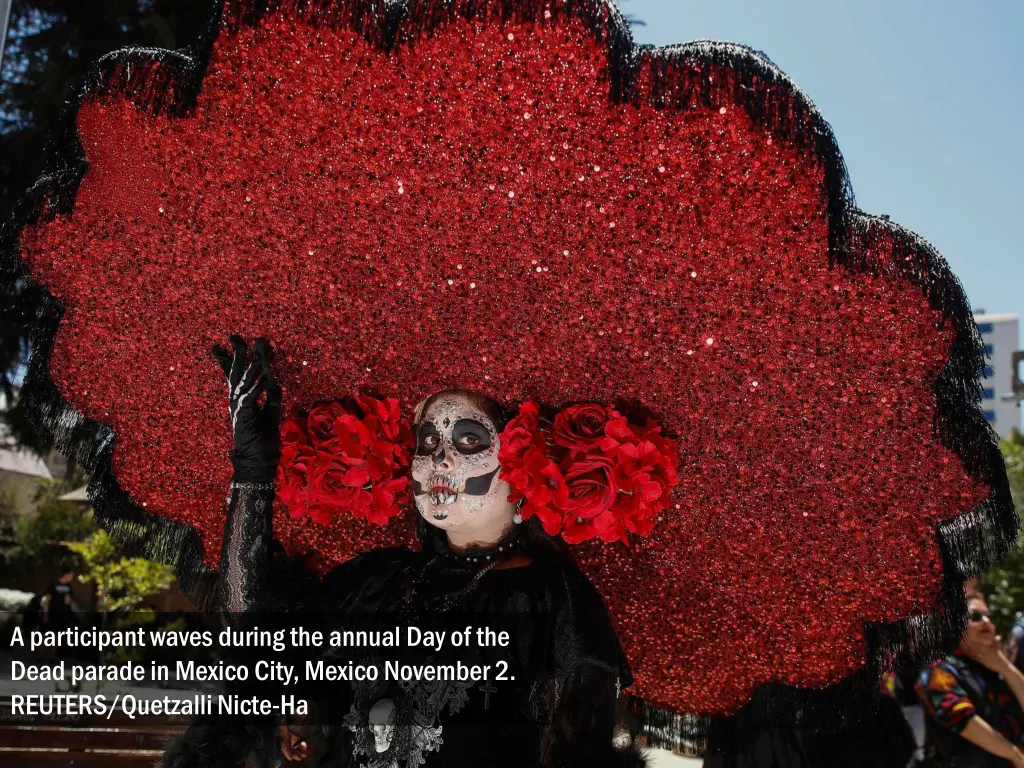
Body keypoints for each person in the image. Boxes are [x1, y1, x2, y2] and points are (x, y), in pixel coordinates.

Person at [161, 336, 646, 768]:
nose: (439, 458)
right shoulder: (379, 582)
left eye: (468, 440)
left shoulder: (551, 598)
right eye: (428, 440)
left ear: (525, 463)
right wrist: (254, 470)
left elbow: (578, 751)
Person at [916, 592, 1024, 768]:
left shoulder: (997, 666)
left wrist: (1006, 668)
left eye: (989, 616)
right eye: (975, 616)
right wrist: (1015, 755)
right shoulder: (937, 670)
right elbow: (965, 722)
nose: (986, 621)